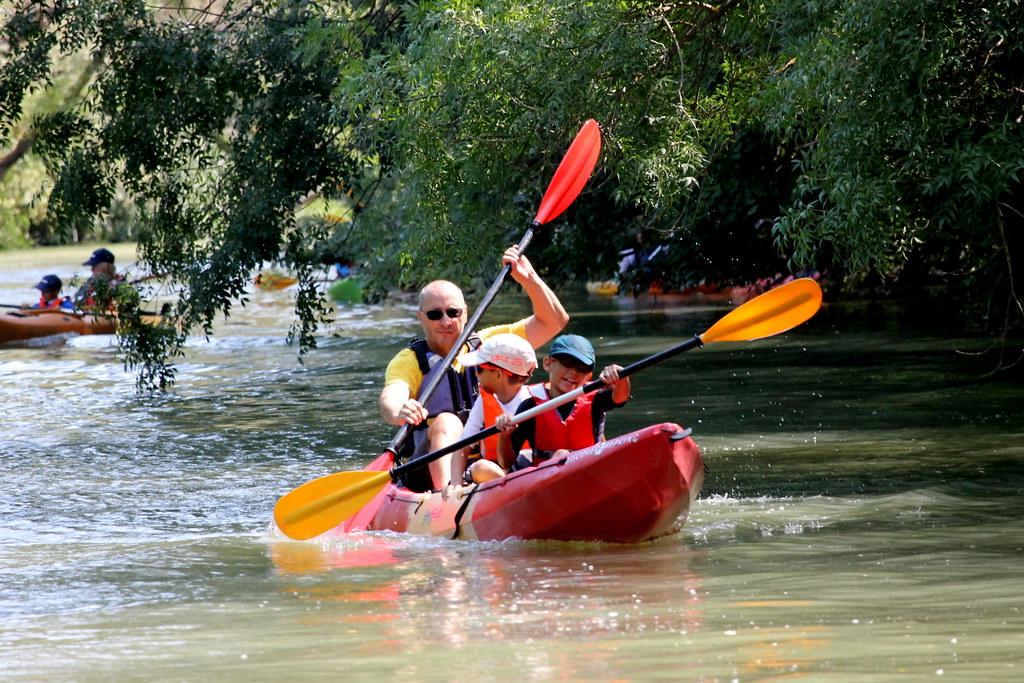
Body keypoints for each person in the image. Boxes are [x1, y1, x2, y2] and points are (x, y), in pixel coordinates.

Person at [378, 245, 569, 491]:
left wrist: (528, 279)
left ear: (465, 313)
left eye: (453, 312)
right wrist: (399, 411)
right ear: (421, 317)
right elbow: (390, 399)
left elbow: (554, 322)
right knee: (448, 422)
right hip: (427, 466)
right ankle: (447, 496)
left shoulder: (490, 344)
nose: (446, 321)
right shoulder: (410, 361)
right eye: (435, 314)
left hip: (487, 460)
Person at [494, 334, 631, 469]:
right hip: (545, 481)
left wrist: (620, 376)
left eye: (581, 368)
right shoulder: (530, 407)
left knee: (563, 454)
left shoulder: (596, 400)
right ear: (548, 364)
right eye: (567, 363)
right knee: (561, 454)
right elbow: (506, 462)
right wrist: (504, 436)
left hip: (589, 473)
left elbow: (620, 397)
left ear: (588, 376)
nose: (574, 372)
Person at [447, 333, 537, 490]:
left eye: (479, 369)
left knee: (480, 467)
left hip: (526, 473)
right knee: (481, 468)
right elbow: (463, 447)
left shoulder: (534, 402)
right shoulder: (484, 400)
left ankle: (515, 489)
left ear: (498, 374)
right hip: (494, 474)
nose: (476, 374)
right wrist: (455, 483)